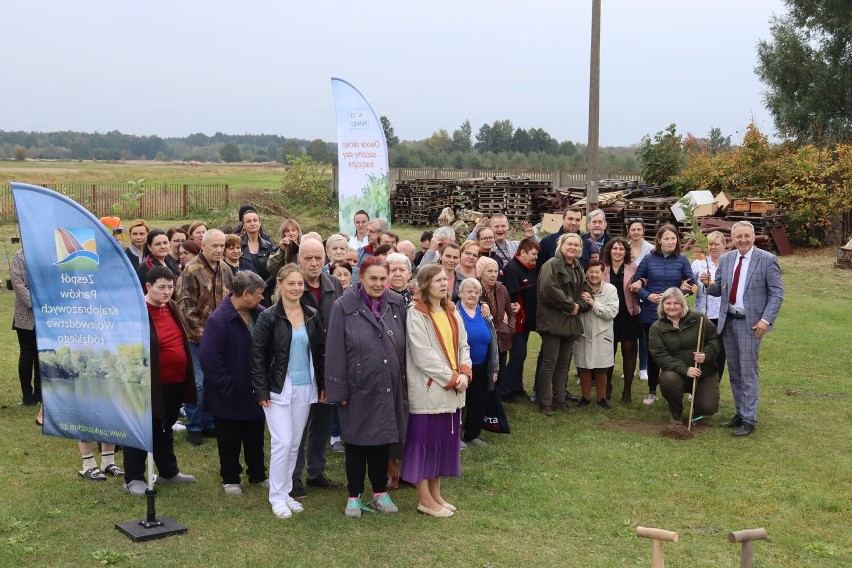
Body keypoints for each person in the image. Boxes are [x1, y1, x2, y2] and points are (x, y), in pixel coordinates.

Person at [325, 257, 407, 517]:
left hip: (387, 384)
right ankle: (354, 495)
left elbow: (404, 346)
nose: (379, 283)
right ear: (361, 277)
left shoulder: (396, 303)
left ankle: (380, 492)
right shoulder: (344, 306)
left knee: (383, 439)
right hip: (357, 386)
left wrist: (403, 382)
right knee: (357, 442)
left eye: (383, 278)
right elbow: (335, 349)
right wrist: (339, 390)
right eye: (373, 278)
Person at [251, 265, 325, 519]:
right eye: (291, 283)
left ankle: (286, 492)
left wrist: (323, 385)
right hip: (277, 388)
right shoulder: (268, 317)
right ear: (280, 285)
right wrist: (261, 390)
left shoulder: (313, 314)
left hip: (305, 386)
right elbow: (258, 357)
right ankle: (276, 497)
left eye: (300, 284)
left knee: (295, 443)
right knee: (282, 442)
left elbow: (320, 353)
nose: (296, 288)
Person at [401, 264, 472, 518]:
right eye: (437, 281)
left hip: (453, 389)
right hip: (431, 390)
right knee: (424, 444)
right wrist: (453, 378)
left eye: (445, 280)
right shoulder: (416, 314)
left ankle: (436, 494)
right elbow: (423, 356)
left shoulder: (452, 311)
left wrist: (465, 371)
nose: (444, 284)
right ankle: (424, 499)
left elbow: (463, 345)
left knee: (442, 443)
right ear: (424, 285)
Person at [701, 221, 783, 437]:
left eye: (747, 236)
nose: (743, 240)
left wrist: (765, 320)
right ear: (733, 239)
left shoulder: (766, 260)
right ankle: (740, 413)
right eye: (739, 237)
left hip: (751, 324)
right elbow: (719, 289)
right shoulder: (727, 259)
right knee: (735, 371)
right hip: (728, 322)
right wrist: (708, 284)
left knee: (748, 372)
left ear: (754, 237)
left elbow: (776, 294)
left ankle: (749, 418)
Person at [123, 267, 197, 496]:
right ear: (148, 287)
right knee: (144, 426)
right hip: (149, 383)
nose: (167, 292)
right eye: (162, 287)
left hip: (175, 381)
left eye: (170, 287)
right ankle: (134, 477)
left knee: (166, 427)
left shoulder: (171, 307)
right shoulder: (137, 311)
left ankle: (168, 471)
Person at [200, 271, 268, 496]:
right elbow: (210, 360)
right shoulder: (219, 320)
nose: (263, 298)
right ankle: (230, 478)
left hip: (255, 391)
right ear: (246, 294)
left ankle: (258, 475)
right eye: (259, 294)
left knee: (255, 436)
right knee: (229, 439)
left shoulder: (260, 314)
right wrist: (229, 387)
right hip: (228, 395)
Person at [290, 237, 344, 498]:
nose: (313, 263)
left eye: (318, 258)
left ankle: (315, 471)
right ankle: (294, 475)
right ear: (299, 259)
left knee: (323, 419)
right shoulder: (293, 284)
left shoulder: (334, 284)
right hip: (301, 361)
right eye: (308, 258)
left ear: (325, 259)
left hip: (329, 360)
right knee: (299, 421)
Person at [175, 229, 233, 445]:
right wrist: (203, 336)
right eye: (214, 246)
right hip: (196, 339)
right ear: (203, 246)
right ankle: (194, 425)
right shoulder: (191, 270)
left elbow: (231, 301)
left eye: (222, 246)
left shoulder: (226, 269)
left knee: (213, 382)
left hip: (220, 338)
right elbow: (185, 308)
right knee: (197, 383)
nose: (219, 250)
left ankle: (209, 422)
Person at [630, 225, 694, 406]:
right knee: (653, 352)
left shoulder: (682, 259)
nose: (670, 242)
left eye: (673, 239)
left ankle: (682, 387)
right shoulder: (649, 259)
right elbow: (636, 283)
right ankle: (652, 391)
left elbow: (692, 284)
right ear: (659, 240)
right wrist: (647, 295)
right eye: (666, 238)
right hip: (651, 312)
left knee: (678, 351)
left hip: (675, 314)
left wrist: (678, 296)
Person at [649, 288, 721, 425]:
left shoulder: (699, 319)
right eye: (668, 303)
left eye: (676, 303)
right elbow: (659, 356)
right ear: (662, 305)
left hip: (703, 372)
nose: (672, 307)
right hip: (676, 373)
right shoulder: (656, 328)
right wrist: (685, 370)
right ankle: (675, 411)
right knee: (668, 379)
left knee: (708, 407)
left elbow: (715, 339)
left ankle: (698, 413)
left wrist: (706, 354)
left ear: (683, 304)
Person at [535, 233, 587, 415]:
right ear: (561, 246)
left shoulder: (579, 267)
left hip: (570, 322)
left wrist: (579, 305)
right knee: (549, 362)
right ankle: (545, 402)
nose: (572, 247)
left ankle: (560, 400)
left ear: (580, 249)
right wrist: (570, 304)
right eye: (569, 244)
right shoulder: (551, 265)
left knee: (564, 363)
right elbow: (549, 290)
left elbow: (585, 292)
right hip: (552, 320)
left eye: (576, 245)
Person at [457, 278, 499, 447]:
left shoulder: (484, 312)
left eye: (476, 292)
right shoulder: (455, 312)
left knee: (479, 400)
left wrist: (494, 368)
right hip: (461, 366)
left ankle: (472, 434)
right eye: (469, 291)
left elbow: (494, 341)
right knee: (459, 402)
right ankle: (456, 437)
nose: (473, 295)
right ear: (460, 293)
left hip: (483, 365)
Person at [574, 260, 619, 409]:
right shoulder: (580, 288)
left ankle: (602, 399)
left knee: (601, 367)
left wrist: (593, 303)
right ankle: (585, 398)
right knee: (584, 366)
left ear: (602, 273)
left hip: (602, 333)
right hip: (583, 332)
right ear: (586, 273)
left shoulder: (611, 290)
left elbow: (611, 312)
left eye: (597, 272)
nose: (594, 275)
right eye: (591, 272)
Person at [602, 237, 642, 403]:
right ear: (609, 250)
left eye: (621, 249)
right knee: (608, 353)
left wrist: (640, 282)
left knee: (629, 352)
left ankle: (627, 390)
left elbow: (643, 280)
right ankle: (607, 386)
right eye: (615, 248)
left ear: (626, 252)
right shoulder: (603, 267)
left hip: (628, 314)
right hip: (608, 315)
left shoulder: (633, 267)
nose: (618, 251)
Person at [500, 238, 541, 402]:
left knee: (521, 355)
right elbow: (510, 296)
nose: (535, 258)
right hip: (518, 321)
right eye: (533, 254)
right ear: (522, 252)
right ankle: (506, 390)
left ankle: (517, 386)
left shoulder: (532, 268)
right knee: (518, 354)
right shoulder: (512, 268)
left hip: (531, 319)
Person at [11, 249, 42, 424]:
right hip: (26, 314)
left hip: (46, 314)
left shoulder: (46, 253)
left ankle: (39, 392)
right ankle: (27, 395)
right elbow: (17, 284)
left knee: (41, 354)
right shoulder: (19, 256)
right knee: (27, 354)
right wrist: (34, 303)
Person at [691, 231, 728, 377]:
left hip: (723, 314)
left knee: (719, 351)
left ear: (724, 246)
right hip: (703, 314)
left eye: (716, 244)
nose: (713, 247)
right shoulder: (699, 263)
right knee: (701, 350)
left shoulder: (729, 263)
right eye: (710, 244)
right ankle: (696, 385)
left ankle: (715, 385)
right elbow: (693, 281)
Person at [477, 256, 514, 383]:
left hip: (502, 338)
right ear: (480, 273)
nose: (494, 275)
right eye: (489, 271)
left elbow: (510, 312)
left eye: (495, 271)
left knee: (500, 375)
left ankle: (498, 401)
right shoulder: (475, 290)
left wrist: (510, 329)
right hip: (485, 340)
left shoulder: (501, 289)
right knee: (485, 375)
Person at [628, 218, 655, 382]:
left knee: (644, 333)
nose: (636, 232)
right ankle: (629, 366)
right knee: (631, 333)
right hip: (628, 294)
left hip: (646, 293)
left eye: (639, 229)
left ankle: (643, 367)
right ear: (628, 231)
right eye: (633, 229)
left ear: (643, 231)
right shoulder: (624, 247)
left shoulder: (651, 249)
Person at [468, 213, 537, 267]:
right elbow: (467, 248)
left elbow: (538, 251)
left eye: (503, 226)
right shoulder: (485, 247)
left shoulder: (517, 245)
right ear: (490, 228)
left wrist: (533, 237)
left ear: (508, 227)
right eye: (496, 226)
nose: (500, 229)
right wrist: (475, 232)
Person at [239, 207, 273, 283]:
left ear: (260, 223)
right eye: (248, 221)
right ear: (243, 225)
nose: (252, 223)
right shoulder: (237, 244)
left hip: (264, 289)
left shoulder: (268, 246)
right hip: (244, 288)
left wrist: (265, 285)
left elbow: (274, 269)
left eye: (255, 220)